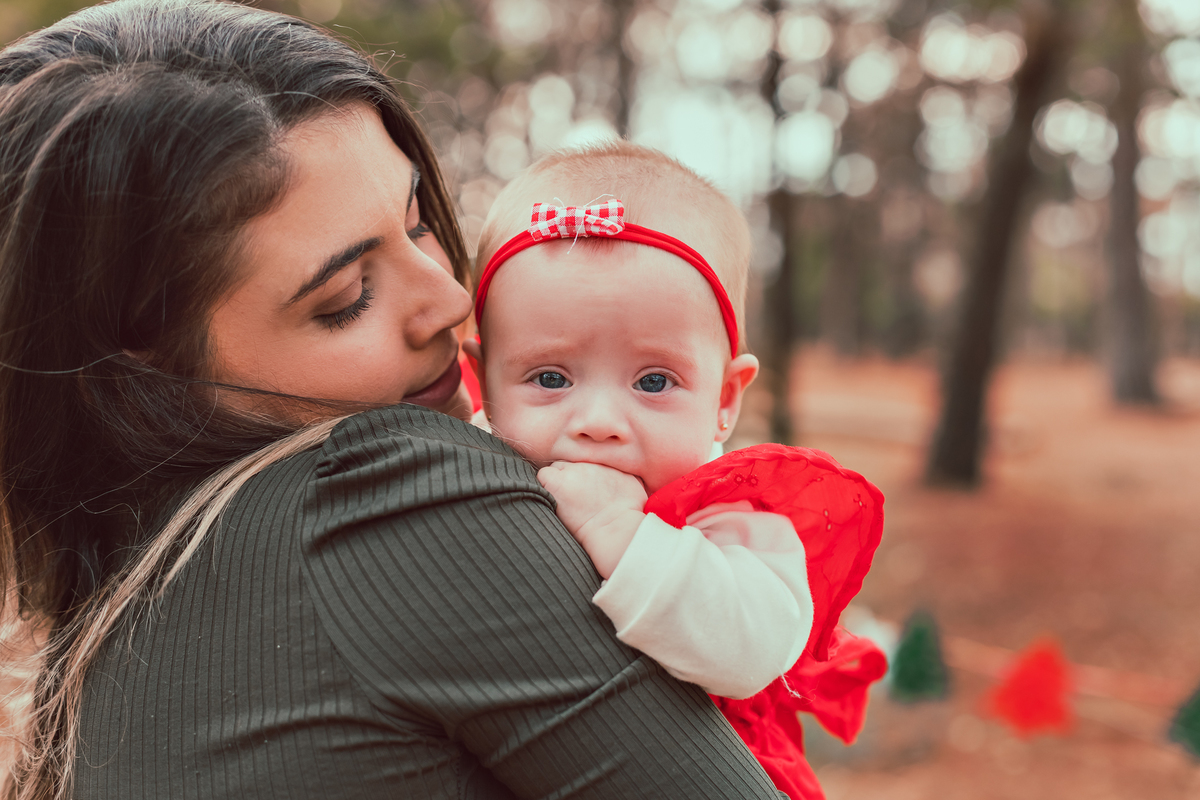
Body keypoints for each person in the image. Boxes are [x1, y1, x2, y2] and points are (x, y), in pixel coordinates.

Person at [0, 2, 789, 798]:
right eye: (346, 297)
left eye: (416, 225)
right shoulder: (391, 493)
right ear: (149, 371)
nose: (450, 300)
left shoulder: (127, 582)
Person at [464, 143, 888, 800]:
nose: (599, 420)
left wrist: (620, 529)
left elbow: (751, 648)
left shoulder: (728, 516)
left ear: (724, 399)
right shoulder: (471, 463)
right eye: (550, 378)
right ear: (485, 378)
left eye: (654, 381)